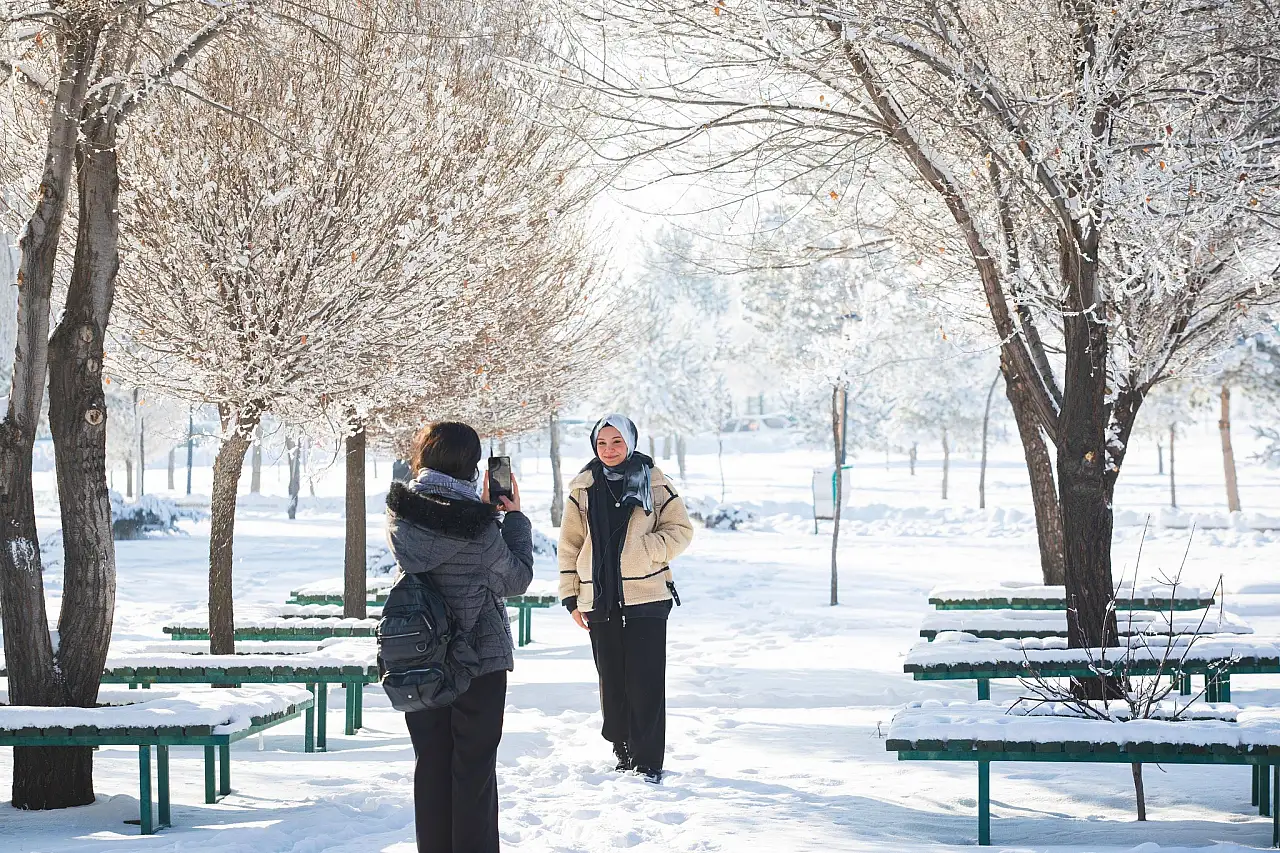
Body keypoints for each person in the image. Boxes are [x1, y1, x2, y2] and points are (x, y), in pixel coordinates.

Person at [386, 422, 533, 853]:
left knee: (430, 765)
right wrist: (513, 517)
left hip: (418, 657)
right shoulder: (480, 527)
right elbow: (517, 577)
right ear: (472, 467)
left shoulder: (401, 513)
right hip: (478, 661)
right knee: (473, 772)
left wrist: (482, 510)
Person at [557, 414, 695, 783]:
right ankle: (623, 748)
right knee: (612, 681)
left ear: (631, 442)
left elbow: (681, 530)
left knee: (646, 681)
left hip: (646, 596)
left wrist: (648, 548)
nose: (609, 450)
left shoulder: (655, 482)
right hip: (599, 598)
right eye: (602, 443)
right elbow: (570, 544)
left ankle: (648, 760)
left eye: (616, 442)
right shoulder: (583, 488)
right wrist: (571, 596)